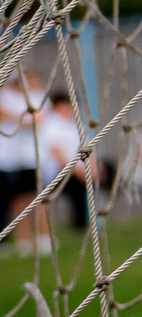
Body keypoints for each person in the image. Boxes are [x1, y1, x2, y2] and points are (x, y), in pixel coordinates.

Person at [38, 91, 102, 235]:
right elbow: (57, 154)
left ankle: (82, 223)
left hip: (76, 169)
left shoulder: (75, 125)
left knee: (103, 173)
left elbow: (85, 149)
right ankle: (79, 225)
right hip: (54, 172)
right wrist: (78, 171)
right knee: (78, 186)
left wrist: (92, 167)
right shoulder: (51, 124)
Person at [0, 73, 42, 254]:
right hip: (7, 159)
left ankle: (41, 238)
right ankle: (20, 240)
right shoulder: (6, 97)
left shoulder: (36, 96)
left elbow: (37, 119)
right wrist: (22, 117)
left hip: (29, 156)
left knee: (36, 197)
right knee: (13, 199)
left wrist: (17, 117)